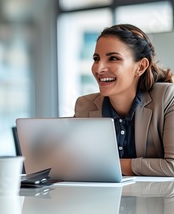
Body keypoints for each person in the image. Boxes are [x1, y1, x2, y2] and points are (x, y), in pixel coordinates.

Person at [74, 23, 174, 176]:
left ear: (140, 67)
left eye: (113, 58)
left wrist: (111, 165)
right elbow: (75, 164)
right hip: (101, 198)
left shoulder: (167, 97)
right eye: (96, 58)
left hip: (157, 198)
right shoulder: (85, 106)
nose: (99, 68)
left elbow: (172, 166)